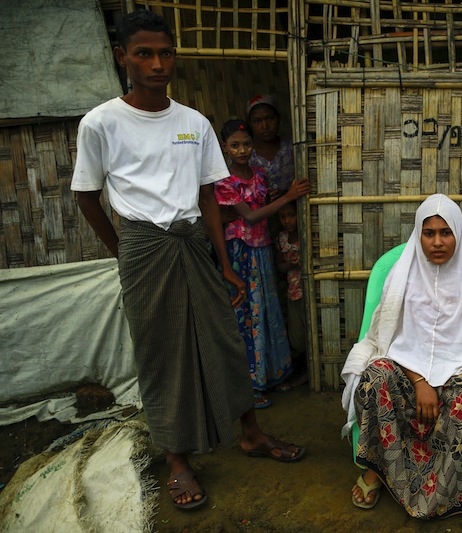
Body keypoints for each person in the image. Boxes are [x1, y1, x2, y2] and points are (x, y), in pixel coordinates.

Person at [71, 9, 305, 512]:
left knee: (224, 339)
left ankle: (250, 433)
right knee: (162, 353)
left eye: (166, 52)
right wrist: (125, 254)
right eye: (144, 54)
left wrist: (224, 263)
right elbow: (88, 197)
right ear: (122, 57)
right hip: (142, 247)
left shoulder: (193, 123)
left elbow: (207, 200)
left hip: (195, 245)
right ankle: (177, 459)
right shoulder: (101, 123)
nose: (158, 64)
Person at [340, 194, 462, 519]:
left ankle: (437, 491)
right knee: (375, 376)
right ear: (418, 235)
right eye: (429, 233)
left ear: (458, 234)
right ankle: (379, 471)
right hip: (408, 373)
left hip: (460, 372)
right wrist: (419, 380)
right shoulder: (402, 274)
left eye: (445, 233)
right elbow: (387, 338)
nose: (437, 242)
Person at [215, 119, 311, 405]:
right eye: (235, 145)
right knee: (248, 316)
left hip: (263, 250)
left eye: (246, 144)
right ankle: (250, 386)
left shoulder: (258, 175)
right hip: (242, 253)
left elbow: (261, 208)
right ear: (225, 147)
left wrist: (276, 199)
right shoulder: (225, 181)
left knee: (268, 310)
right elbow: (253, 216)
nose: (242, 150)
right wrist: (290, 196)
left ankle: (273, 374)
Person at [275, 200, 308, 385]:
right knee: (297, 336)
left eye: (291, 215)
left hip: (310, 293)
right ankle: (302, 368)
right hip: (294, 293)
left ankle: (308, 371)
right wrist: (292, 264)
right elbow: (280, 266)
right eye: (282, 216)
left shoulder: (307, 234)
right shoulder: (281, 239)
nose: (287, 220)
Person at [246, 94, 294, 196]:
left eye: (270, 118)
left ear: (279, 118)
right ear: (250, 124)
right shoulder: (246, 154)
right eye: (257, 121)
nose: (265, 126)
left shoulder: (292, 148)